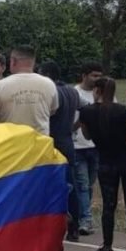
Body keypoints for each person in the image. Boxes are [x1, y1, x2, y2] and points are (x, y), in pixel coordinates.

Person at [78, 77, 126, 251]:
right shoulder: (122, 110)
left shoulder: (87, 112)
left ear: (97, 90)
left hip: (106, 161)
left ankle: (107, 247)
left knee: (109, 205)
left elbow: (86, 134)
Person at [39, 60, 81, 241]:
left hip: (53, 143)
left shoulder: (52, 92)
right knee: (71, 186)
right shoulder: (72, 91)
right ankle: (75, 226)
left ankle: (51, 224)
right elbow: (85, 109)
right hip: (68, 142)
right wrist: (74, 127)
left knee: (48, 187)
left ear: (46, 75)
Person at [0, 45, 58, 135]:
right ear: (33, 62)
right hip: (39, 145)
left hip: (10, 143)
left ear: (13, 61)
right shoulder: (49, 84)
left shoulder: (0, 86)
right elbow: (53, 111)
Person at [73, 61, 104, 235]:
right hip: (78, 146)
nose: (97, 79)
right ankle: (85, 219)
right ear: (84, 76)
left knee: (90, 185)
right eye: (94, 75)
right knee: (82, 184)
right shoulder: (74, 93)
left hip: (96, 146)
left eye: (100, 76)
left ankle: (82, 215)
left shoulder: (105, 94)